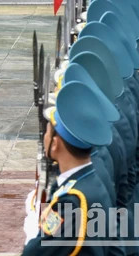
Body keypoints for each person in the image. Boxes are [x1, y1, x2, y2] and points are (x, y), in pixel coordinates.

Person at [22, 81, 115, 255]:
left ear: (55, 144)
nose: (45, 138)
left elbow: (36, 252)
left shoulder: (72, 201)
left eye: (48, 133)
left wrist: (32, 230)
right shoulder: (90, 179)